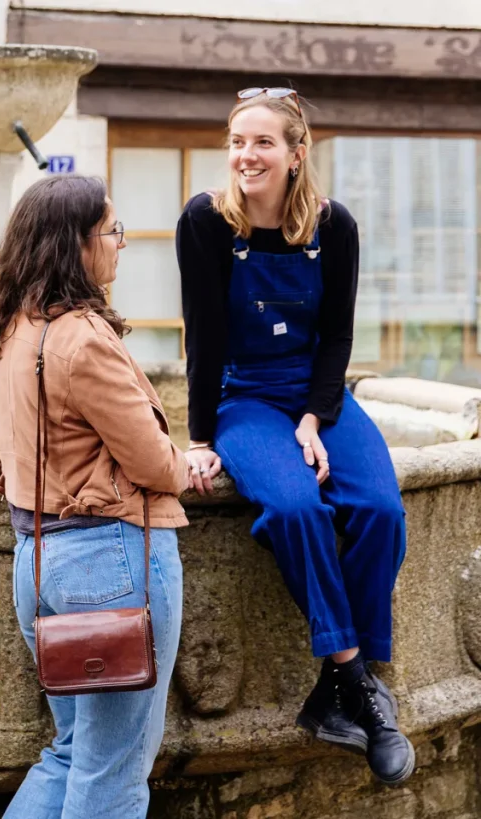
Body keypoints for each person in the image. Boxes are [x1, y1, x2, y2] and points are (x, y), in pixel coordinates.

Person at [176, 87, 413, 785]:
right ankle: (356, 681)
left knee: (380, 510)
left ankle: (335, 695)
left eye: (262, 143)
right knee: (294, 508)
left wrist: (313, 419)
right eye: (237, 142)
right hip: (243, 395)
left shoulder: (334, 226)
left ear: (295, 153)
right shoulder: (207, 222)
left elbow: (337, 333)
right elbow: (205, 339)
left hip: (318, 393)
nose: (246, 155)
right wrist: (198, 437)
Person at [0, 174, 190, 818]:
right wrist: (188, 465)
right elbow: (154, 464)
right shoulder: (85, 339)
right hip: (113, 562)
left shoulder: (0, 332)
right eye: (111, 231)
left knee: (71, 752)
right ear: (75, 244)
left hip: (36, 561)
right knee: (116, 772)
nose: (121, 244)